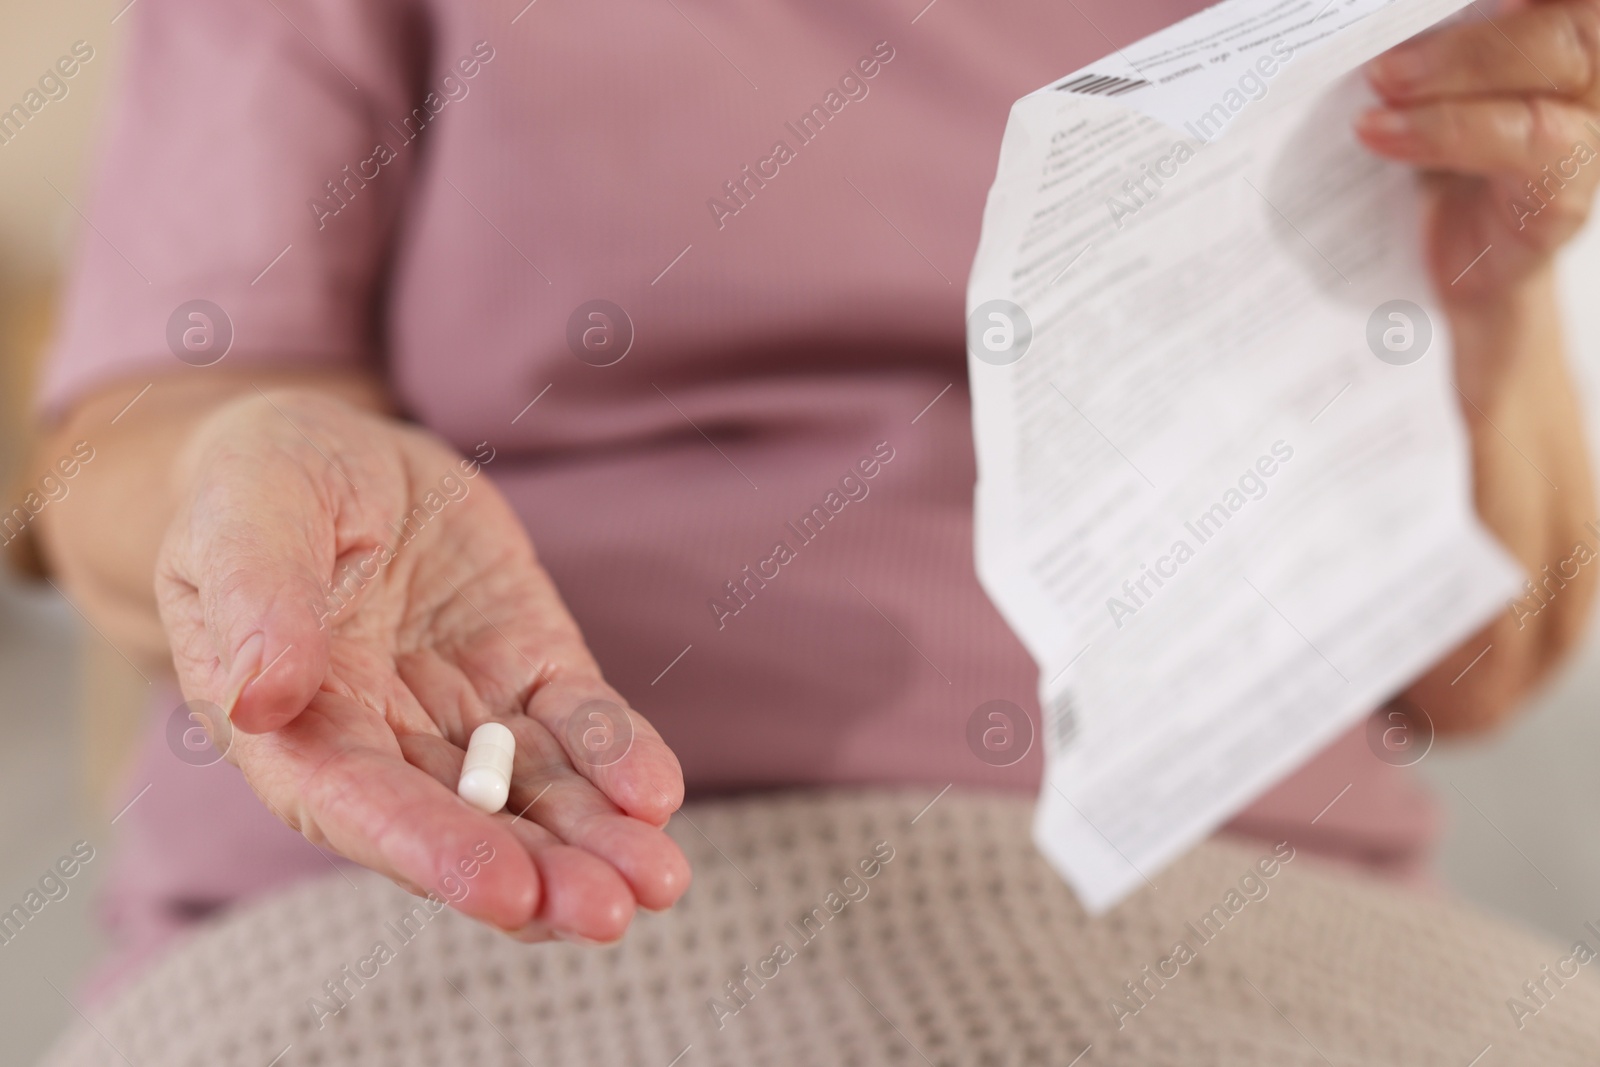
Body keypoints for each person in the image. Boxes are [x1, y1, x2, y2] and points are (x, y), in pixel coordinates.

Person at [24, 0, 1600, 991]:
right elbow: (141, 439)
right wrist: (246, 470)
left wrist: (1483, 296)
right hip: (437, 883)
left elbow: (1479, 676)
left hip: (1252, 910)